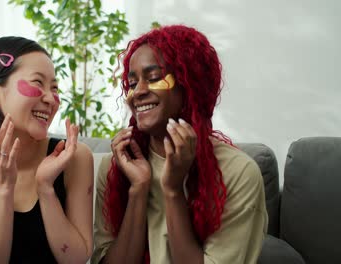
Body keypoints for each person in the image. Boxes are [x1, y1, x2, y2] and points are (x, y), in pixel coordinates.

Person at [92, 25, 268, 264]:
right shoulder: (119, 166)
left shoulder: (238, 173)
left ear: (190, 85)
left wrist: (173, 190)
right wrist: (138, 189)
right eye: (132, 84)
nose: (137, 92)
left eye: (153, 78)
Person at [0, 36, 93, 263]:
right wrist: (2, 189)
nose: (51, 98)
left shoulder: (75, 157)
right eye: (37, 83)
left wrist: (46, 188)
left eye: (54, 87)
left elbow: (76, 259)